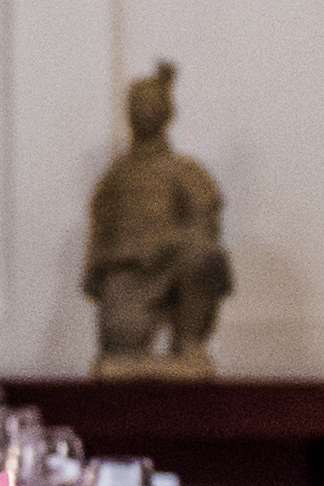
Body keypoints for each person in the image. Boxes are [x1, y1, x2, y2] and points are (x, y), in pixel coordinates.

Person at [84, 60, 229, 375]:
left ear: (166, 112)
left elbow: (205, 225)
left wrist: (170, 244)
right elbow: (100, 234)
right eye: (137, 104)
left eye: (150, 104)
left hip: (175, 264)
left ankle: (189, 345)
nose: (143, 111)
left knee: (202, 257)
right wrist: (103, 271)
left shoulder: (185, 170)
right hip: (127, 273)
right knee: (121, 346)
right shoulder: (116, 175)